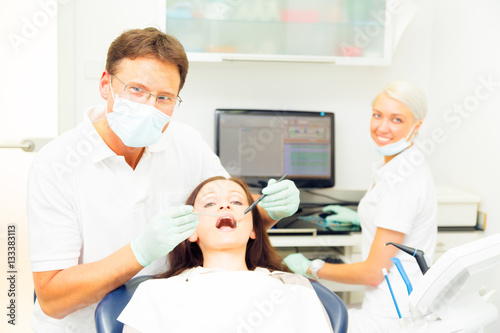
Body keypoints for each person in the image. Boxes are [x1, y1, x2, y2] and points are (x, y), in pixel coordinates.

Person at [27, 27, 300, 333]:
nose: (148, 107)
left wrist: (269, 211)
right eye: (136, 90)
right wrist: (140, 252)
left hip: (168, 319)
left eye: (164, 97)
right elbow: (52, 299)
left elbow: (231, 218)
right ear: (106, 84)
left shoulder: (187, 144)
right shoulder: (57, 164)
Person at [284, 80, 437, 332]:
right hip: (392, 304)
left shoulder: (402, 178)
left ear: (416, 125)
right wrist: (361, 217)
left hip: (394, 314)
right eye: (378, 115)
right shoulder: (399, 162)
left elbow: (373, 273)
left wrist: (312, 267)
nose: (382, 127)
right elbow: (396, 219)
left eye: (396, 119)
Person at [118, 176, 333, 333]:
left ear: (253, 230)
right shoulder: (155, 293)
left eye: (237, 201)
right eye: (210, 203)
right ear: (191, 230)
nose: (225, 205)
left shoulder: (293, 287)